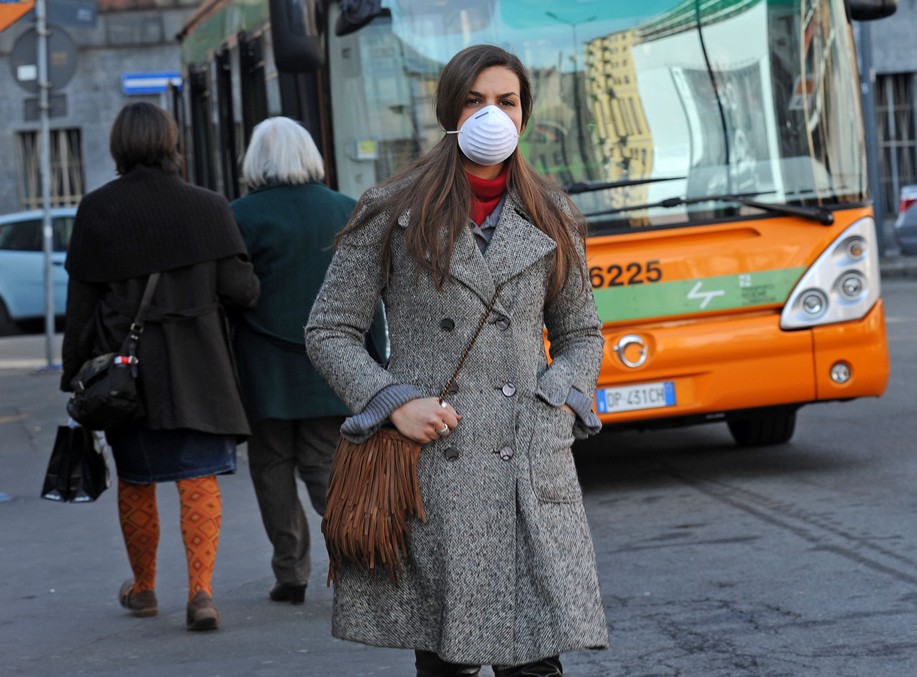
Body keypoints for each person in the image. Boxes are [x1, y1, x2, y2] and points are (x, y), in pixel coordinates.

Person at [305, 45, 608, 676]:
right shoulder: (390, 211)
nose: (491, 114)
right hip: (437, 468)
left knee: (536, 663)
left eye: (506, 100)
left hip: (528, 465)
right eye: (474, 100)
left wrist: (557, 403)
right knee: (447, 662)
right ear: (449, 110)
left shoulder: (553, 215)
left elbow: (582, 334)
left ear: (524, 115)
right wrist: (395, 403)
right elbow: (330, 328)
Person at [60, 102, 260, 632]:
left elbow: (79, 305)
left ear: (119, 145)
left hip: (127, 375)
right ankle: (201, 594)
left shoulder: (98, 210)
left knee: (137, 479)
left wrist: (73, 374)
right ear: (173, 141)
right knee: (197, 478)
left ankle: (145, 588)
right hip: (200, 368)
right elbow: (242, 291)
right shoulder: (209, 206)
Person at [229, 117, 387, 605]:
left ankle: (290, 571)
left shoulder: (239, 217)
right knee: (326, 466)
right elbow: (372, 296)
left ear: (255, 160)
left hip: (264, 369)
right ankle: (362, 561)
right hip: (332, 366)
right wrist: (376, 360)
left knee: (272, 466)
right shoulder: (345, 209)